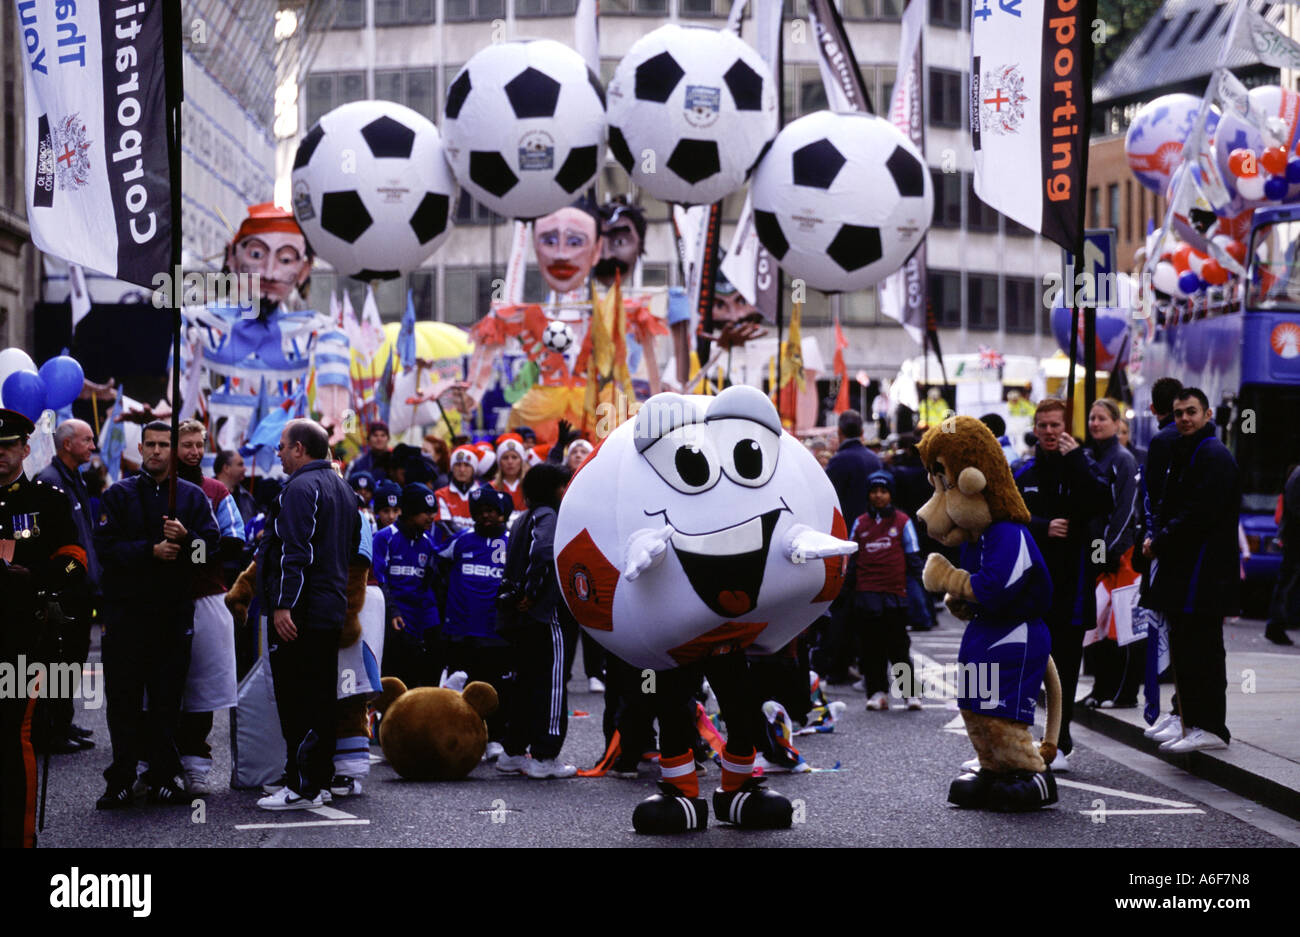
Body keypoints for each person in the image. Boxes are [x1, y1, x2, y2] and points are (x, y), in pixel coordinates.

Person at [94, 421, 220, 808]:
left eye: (164, 445)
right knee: (124, 701)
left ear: (173, 449)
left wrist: (187, 541)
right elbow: (105, 550)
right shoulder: (117, 494)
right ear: (140, 446)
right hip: (126, 617)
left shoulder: (192, 497)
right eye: (150, 444)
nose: (156, 451)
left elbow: (210, 554)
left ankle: (165, 775)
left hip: (172, 616)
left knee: (168, 701)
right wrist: (149, 551)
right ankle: (121, 777)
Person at [257, 419, 360, 810]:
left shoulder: (299, 488)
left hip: (300, 612)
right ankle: (316, 782)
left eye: (282, 446)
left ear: (300, 448)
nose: (278, 453)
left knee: (297, 698)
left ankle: (303, 787)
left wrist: (284, 605)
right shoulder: (344, 487)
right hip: (329, 609)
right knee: (320, 698)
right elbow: (351, 551)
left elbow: (293, 554)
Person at [0, 409, 88, 845]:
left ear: (24, 449)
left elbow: (76, 561)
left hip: (20, 637)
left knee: (13, 736)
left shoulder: (46, 501)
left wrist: (38, 579)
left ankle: (19, 837)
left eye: (6, 446)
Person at [1013, 398, 1111, 772]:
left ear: (1065, 429)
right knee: (1026, 666)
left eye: (1056, 425)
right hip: (1031, 589)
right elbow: (1009, 517)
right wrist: (1042, 526)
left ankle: (1061, 741)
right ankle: (1020, 740)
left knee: (1066, 669)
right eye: (1044, 426)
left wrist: (1076, 461)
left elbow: (1102, 499)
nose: (1050, 432)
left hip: (1072, 588)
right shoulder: (1023, 472)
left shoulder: (1082, 464)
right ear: (1035, 429)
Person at [1143, 388, 1239, 753]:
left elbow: (1199, 513)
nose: (1184, 418)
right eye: (1179, 412)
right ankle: (1190, 720)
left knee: (1204, 650)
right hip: (1185, 568)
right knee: (1186, 647)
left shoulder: (1212, 454)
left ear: (1207, 413)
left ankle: (1211, 726)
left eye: (1191, 412)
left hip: (1205, 571)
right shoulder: (1187, 450)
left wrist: (1161, 540)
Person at [174, 420, 244, 794]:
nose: (194, 452)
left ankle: (195, 764)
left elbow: (234, 541)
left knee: (202, 687)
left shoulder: (216, 491)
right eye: (187, 445)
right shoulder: (154, 489)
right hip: (161, 601)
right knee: (160, 688)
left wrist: (194, 550)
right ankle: (157, 763)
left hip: (205, 597)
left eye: (199, 445)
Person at [495, 463, 577, 779]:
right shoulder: (550, 517)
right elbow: (544, 551)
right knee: (552, 684)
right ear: (550, 489)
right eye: (563, 485)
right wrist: (534, 590)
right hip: (548, 615)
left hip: (521, 618)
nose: (567, 490)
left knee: (524, 683)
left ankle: (513, 752)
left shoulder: (522, 518)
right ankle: (545, 756)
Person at [33, 418, 100, 753]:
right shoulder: (49, 482)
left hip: (81, 586)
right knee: (58, 659)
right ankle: (51, 729)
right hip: (65, 590)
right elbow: (47, 545)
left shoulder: (75, 478)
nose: (93, 446)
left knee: (73, 658)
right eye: (87, 440)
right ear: (68, 444)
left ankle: (63, 721)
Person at [438, 486, 514, 759]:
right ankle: (463, 736)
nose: (487, 517)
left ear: (502, 513)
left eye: (492, 511)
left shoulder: (511, 542)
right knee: (463, 687)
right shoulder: (460, 541)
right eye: (481, 512)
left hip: (495, 631)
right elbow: (436, 565)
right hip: (461, 630)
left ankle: (494, 738)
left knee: (495, 689)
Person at [1081, 399, 1143, 709]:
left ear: (1117, 423)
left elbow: (1126, 510)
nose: (1095, 423)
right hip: (1098, 552)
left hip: (1120, 555)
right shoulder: (1090, 456)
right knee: (1096, 627)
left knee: (1122, 628)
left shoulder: (1123, 459)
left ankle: (1124, 692)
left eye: (1102, 418)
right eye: (1092, 418)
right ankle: (1101, 688)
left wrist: (1111, 549)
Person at [849, 471, 922, 711]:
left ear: (890, 494)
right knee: (871, 647)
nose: (878, 496)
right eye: (874, 491)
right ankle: (877, 692)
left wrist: (921, 585)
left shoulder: (903, 521)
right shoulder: (860, 523)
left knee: (899, 645)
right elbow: (851, 558)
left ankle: (910, 693)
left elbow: (913, 555)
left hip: (894, 593)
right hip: (867, 592)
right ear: (868, 494)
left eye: (883, 491)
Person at [821, 409, 882, 683]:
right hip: (875, 539)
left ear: (840, 433)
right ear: (862, 432)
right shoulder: (874, 460)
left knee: (842, 605)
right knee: (870, 602)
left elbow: (827, 502)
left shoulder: (838, 463)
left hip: (844, 540)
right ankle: (866, 663)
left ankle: (838, 664)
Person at [373, 483, 445, 689]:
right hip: (393, 616)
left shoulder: (428, 543)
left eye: (433, 512)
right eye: (425, 512)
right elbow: (379, 580)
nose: (431, 517)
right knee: (396, 677)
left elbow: (429, 585)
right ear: (411, 511)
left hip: (420, 615)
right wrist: (393, 611)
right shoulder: (385, 538)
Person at [1265, 463, 1300, 645]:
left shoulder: (1295, 474)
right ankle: (1276, 626)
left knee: (1288, 582)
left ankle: (1277, 625)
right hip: (1295, 539)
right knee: (1288, 583)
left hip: (1292, 538)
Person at [435, 445, 481, 533]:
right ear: (452, 468)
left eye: (467, 465)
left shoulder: (483, 495)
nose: (462, 469)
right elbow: (446, 527)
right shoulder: (441, 495)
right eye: (458, 465)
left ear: (473, 469)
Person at [214, 449, 257, 527]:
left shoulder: (247, 498)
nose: (245, 469)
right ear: (226, 468)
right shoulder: (206, 496)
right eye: (240, 464)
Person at [492, 433, 529, 519]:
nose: (510, 462)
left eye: (514, 457)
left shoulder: (530, 486)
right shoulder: (491, 487)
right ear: (499, 462)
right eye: (505, 458)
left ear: (521, 461)